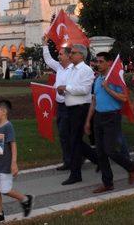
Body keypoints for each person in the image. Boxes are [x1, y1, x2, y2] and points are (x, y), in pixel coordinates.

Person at [84, 52, 134, 193]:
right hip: (98, 117)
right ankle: (108, 183)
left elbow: (124, 98)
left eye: (101, 61)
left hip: (112, 117)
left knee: (110, 150)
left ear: (109, 63)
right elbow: (94, 101)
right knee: (100, 153)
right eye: (97, 61)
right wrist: (88, 121)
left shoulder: (114, 79)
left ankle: (131, 167)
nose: (98, 64)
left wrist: (107, 88)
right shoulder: (97, 79)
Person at [60, 44, 98, 185]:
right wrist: (63, 90)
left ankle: (76, 174)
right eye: (70, 53)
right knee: (73, 141)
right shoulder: (72, 70)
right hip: (70, 108)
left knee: (74, 142)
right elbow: (71, 87)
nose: (70, 55)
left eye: (74, 53)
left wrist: (67, 88)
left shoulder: (86, 70)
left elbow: (84, 90)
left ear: (82, 55)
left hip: (80, 108)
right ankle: (97, 159)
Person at [42, 36, 73, 171]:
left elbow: (76, 88)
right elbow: (48, 59)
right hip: (60, 106)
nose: (58, 56)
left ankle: (73, 160)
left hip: (70, 106)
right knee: (64, 134)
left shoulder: (74, 69)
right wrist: (44, 44)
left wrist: (64, 91)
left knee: (68, 134)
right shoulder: (59, 67)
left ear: (67, 56)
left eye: (60, 54)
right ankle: (69, 160)